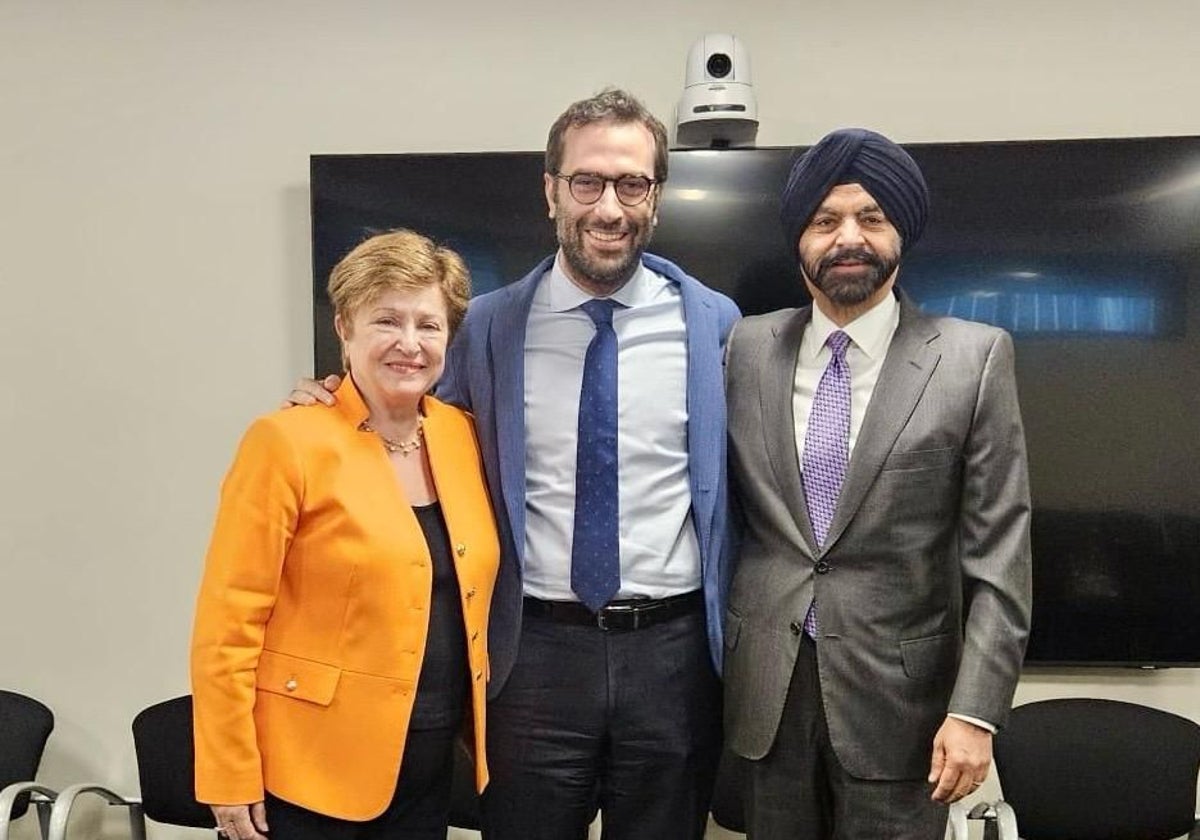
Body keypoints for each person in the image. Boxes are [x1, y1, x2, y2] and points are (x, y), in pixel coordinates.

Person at [288, 89, 740, 840]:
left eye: (632, 184)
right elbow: (406, 418)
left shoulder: (714, 323)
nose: (609, 207)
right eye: (587, 181)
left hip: (673, 657)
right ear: (552, 190)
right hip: (531, 656)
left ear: (656, 197)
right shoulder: (486, 325)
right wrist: (334, 398)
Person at [722, 128, 1032, 839]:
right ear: (799, 238)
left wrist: (975, 710)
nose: (848, 238)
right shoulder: (744, 348)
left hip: (908, 711)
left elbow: (1002, 561)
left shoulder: (972, 359)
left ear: (901, 231)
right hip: (767, 697)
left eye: (872, 217)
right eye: (825, 221)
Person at [191, 230, 500, 840]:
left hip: (429, 762)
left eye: (429, 325)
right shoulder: (286, 442)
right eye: (386, 320)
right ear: (344, 328)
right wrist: (228, 774)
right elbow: (227, 626)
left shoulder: (461, 434)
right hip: (308, 768)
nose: (409, 344)